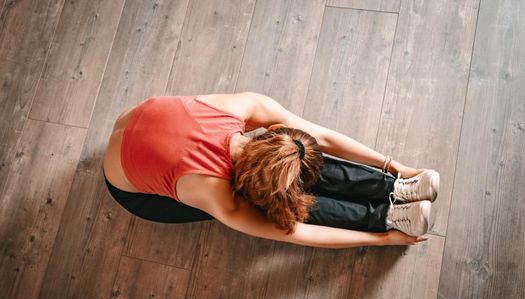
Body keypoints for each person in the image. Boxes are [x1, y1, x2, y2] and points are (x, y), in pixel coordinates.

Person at [103, 92, 440, 249]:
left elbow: (319, 137)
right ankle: (385, 215)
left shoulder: (246, 107)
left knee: (297, 159)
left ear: (273, 132)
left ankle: (394, 187)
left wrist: (394, 166)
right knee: (286, 204)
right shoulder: (217, 194)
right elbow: (298, 232)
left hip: (133, 119)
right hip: (132, 191)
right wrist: (383, 237)